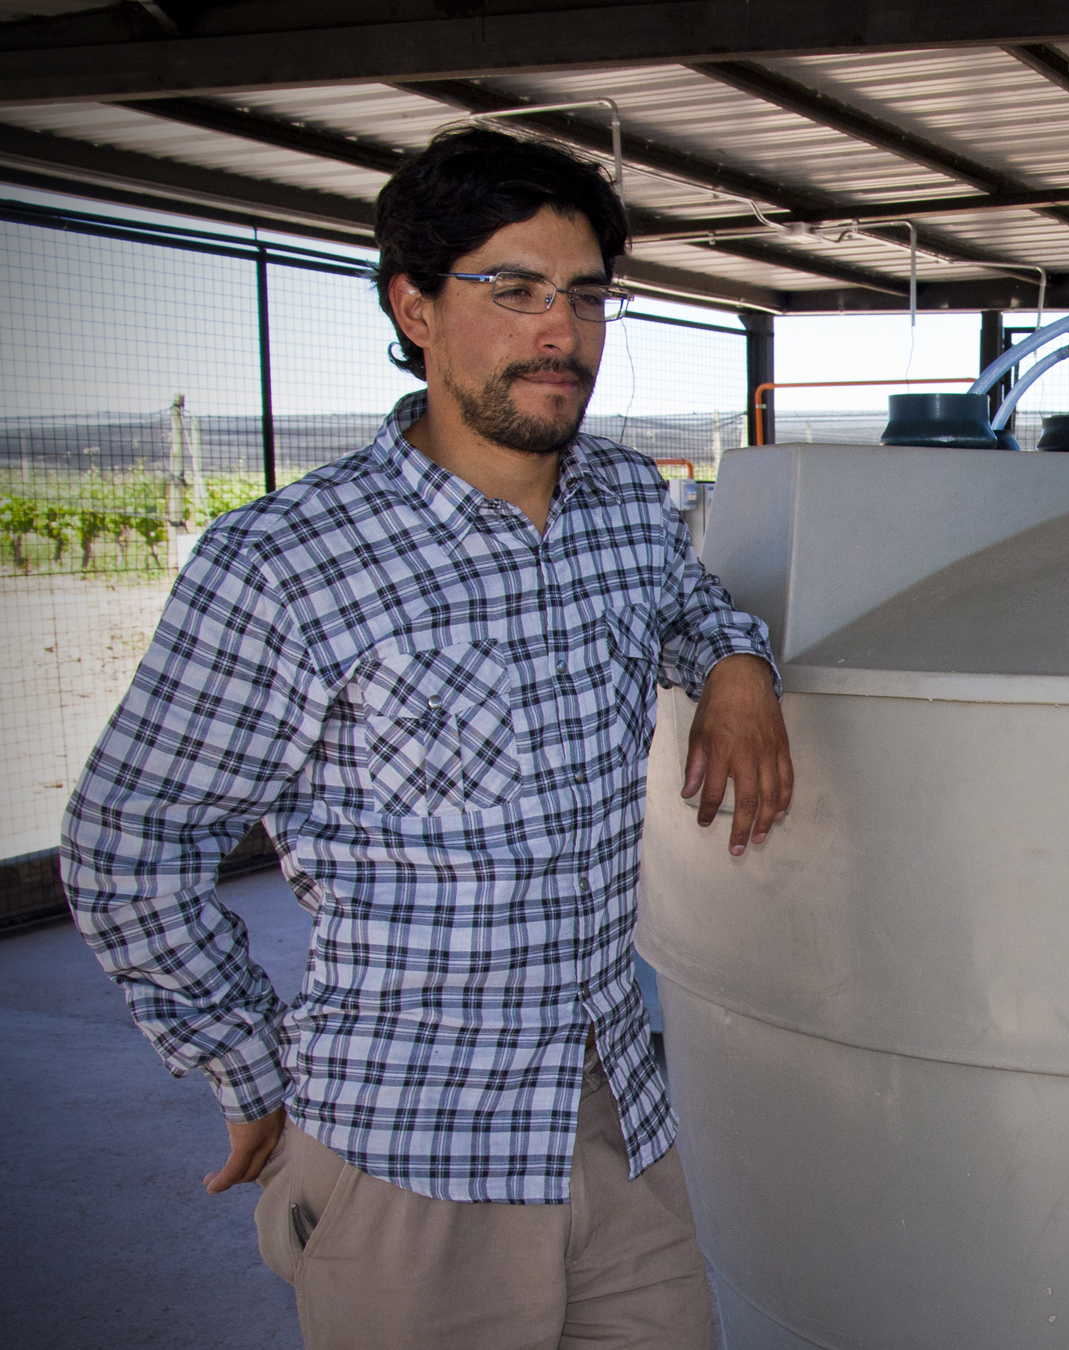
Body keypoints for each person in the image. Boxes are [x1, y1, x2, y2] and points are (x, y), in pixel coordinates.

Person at [60, 126, 792, 1349]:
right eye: (510, 291)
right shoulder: (290, 565)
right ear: (415, 306)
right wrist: (246, 1068)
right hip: (411, 1150)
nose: (559, 333)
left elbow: (690, 605)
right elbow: (126, 842)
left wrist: (734, 668)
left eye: (586, 296)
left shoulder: (622, 501)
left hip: (614, 1115)